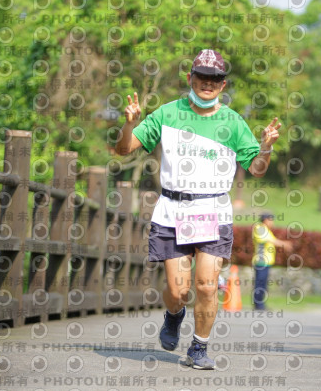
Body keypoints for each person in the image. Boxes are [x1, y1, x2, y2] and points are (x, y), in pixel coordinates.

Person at [114, 49, 281, 369]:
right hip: (172, 209)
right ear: (190, 78)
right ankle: (174, 316)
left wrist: (267, 146)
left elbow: (257, 168)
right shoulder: (168, 113)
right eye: (202, 76)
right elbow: (124, 149)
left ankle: (199, 348)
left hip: (212, 210)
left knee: (206, 285)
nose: (208, 83)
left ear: (223, 84)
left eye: (215, 79)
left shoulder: (233, 122)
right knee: (177, 291)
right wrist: (129, 124)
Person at [252, 212, 292, 310]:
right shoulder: (259, 228)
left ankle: (260, 304)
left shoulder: (266, 230)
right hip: (261, 261)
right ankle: (258, 305)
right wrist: (284, 244)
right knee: (260, 284)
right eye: (271, 220)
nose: (272, 222)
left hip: (266, 262)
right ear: (266, 220)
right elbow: (270, 240)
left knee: (263, 284)